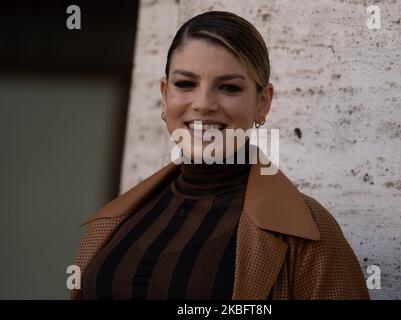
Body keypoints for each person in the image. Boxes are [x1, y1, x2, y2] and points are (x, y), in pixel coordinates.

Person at [70, 10, 369, 300]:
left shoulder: (308, 232)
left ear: (263, 103)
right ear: (164, 94)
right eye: (185, 84)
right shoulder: (112, 221)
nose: (203, 104)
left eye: (228, 87)